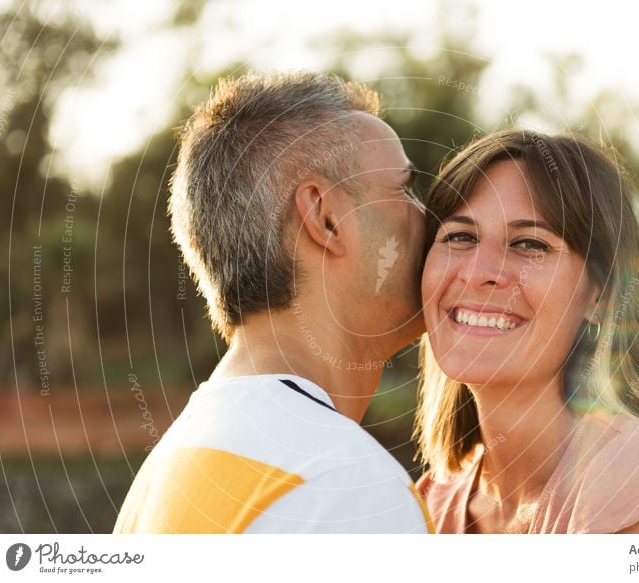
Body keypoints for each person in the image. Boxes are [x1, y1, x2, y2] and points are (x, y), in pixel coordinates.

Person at [114, 71, 433, 533]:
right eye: (404, 189)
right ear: (326, 218)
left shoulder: (167, 469)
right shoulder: (346, 486)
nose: (432, 220)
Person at [414, 129, 639, 534]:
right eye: (459, 236)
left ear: (600, 293)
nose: (479, 272)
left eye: (530, 244)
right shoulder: (429, 505)